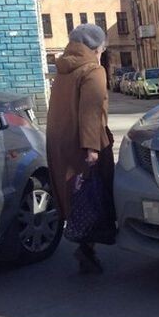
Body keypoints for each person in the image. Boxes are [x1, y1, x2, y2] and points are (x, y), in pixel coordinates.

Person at [46, 24, 117, 274]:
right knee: (94, 194)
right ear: (96, 48)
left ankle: (85, 247)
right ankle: (87, 248)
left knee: (77, 195)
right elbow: (91, 110)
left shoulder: (64, 69)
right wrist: (92, 148)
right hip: (88, 143)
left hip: (61, 142)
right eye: (102, 49)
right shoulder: (93, 71)